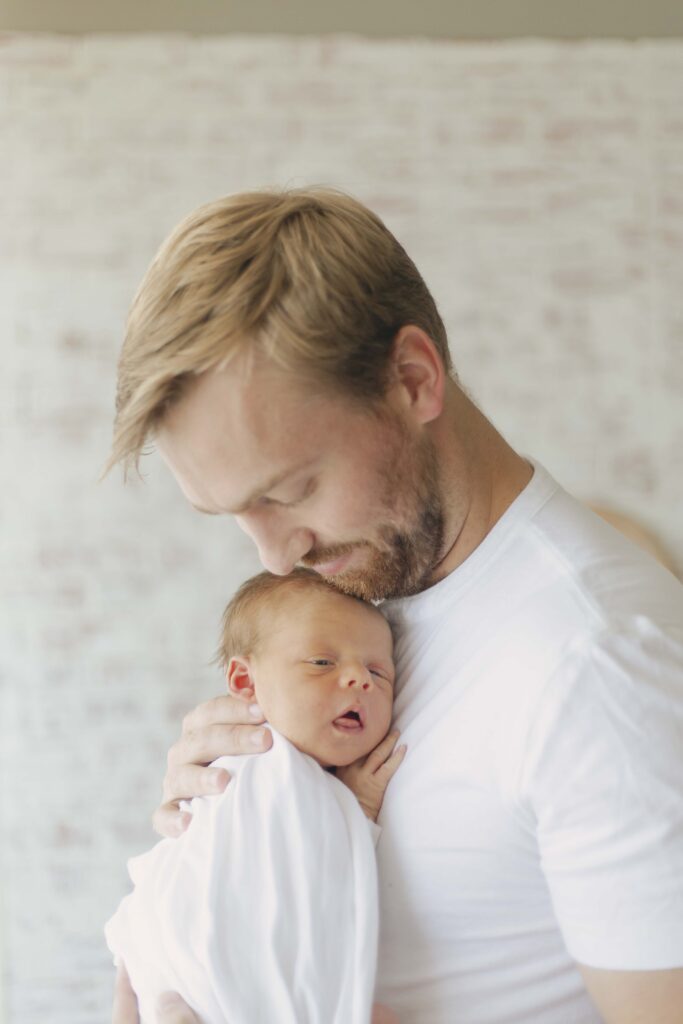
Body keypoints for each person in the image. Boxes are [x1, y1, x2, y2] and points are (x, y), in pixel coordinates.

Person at [108, 187, 683, 1024]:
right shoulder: (375, 600)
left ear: (412, 380)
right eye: (235, 514)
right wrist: (236, 827)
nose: (275, 555)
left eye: (292, 489)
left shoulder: (596, 663)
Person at [106, 568, 404, 1024]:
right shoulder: (262, 765)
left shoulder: (303, 785)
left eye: (378, 672)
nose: (358, 680)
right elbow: (284, 891)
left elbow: (304, 891)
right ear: (245, 683)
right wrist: (356, 807)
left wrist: (349, 806)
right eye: (322, 662)